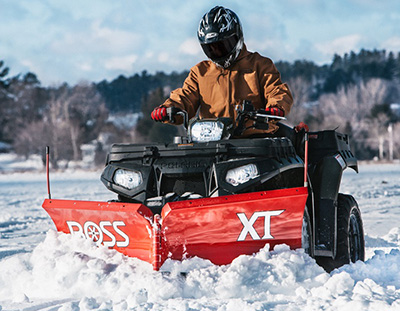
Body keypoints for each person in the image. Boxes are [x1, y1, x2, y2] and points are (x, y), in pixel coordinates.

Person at [151, 6, 293, 137]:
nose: (217, 51)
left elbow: (277, 91)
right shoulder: (200, 72)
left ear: (237, 37)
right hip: (212, 141)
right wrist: (168, 109)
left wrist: (275, 107)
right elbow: (185, 96)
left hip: (254, 140)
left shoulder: (259, 65)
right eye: (211, 48)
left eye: (223, 45)